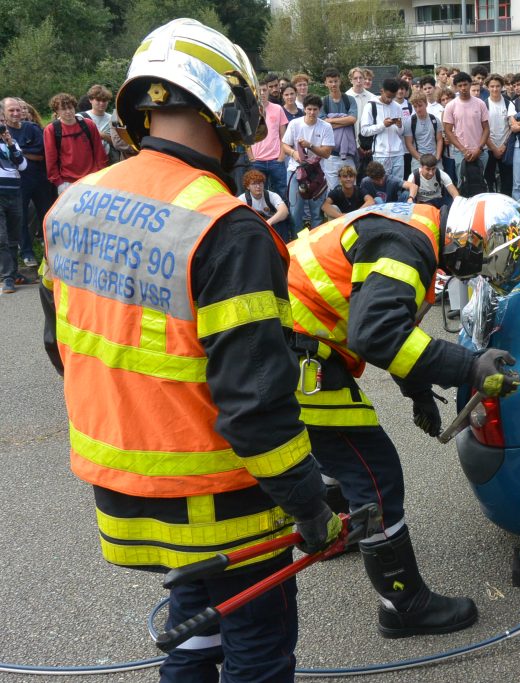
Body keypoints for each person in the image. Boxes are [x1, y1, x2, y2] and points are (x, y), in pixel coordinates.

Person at [40, 19, 339, 681]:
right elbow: (256, 407)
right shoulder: (227, 227)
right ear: (229, 106)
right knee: (257, 648)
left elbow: (65, 348)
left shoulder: (72, 205)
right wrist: (309, 504)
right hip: (222, 498)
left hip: (124, 493)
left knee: (193, 633)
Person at [286, 194, 520, 638]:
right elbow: (377, 334)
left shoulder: (416, 227)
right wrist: (469, 366)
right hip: (296, 349)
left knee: (341, 455)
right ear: (470, 240)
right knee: (374, 472)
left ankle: (338, 530)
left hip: (294, 340)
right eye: (481, 263)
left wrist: (418, 394)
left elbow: (394, 329)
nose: (472, 274)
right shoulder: (407, 246)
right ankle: (402, 605)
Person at [3, 96, 51, 267]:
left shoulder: (32, 128)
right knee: (21, 219)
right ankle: (27, 253)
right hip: (18, 183)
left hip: (40, 179)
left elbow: (42, 153)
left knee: (46, 214)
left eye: (18, 110)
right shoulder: (3, 133)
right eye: (11, 111)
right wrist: (22, 152)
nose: (16, 114)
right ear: (4, 112)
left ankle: (50, 251)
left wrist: (17, 151)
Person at [282, 94, 333, 238]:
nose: (311, 112)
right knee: (295, 211)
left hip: (317, 173)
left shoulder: (326, 126)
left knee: (316, 211)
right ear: (304, 109)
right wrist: (294, 154)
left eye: (315, 109)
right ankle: (297, 241)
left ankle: (315, 241)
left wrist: (310, 146)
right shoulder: (295, 124)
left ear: (319, 110)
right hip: (295, 171)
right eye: (309, 109)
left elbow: (327, 153)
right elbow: (284, 144)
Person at [44, 92, 107, 194]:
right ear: (57, 111)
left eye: (70, 108)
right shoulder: (51, 129)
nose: (68, 112)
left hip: (92, 178)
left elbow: (99, 151)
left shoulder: (88, 124)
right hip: (67, 182)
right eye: (64, 109)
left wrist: (101, 173)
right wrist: (58, 182)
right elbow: (51, 158)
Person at [443, 71, 490, 188]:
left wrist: (479, 149)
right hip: (460, 152)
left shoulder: (480, 104)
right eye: (460, 86)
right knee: (462, 183)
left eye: (465, 84)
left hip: (480, 151)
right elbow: (448, 131)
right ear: (456, 87)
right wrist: (463, 150)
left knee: (481, 182)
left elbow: (486, 128)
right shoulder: (451, 106)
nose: (463, 88)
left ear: (470, 84)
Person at [248, 76, 289, 200]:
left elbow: (284, 135)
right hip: (257, 161)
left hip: (275, 160)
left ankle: (283, 219)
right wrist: (251, 156)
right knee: (258, 196)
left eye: (264, 90)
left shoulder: (278, 109)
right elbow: (246, 136)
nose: (262, 93)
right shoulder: (250, 111)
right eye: (259, 90)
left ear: (268, 91)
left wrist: (282, 156)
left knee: (282, 194)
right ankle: (262, 219)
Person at [361, 78, 406, 183]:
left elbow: (401, 133)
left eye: (393, 97)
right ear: (382, 91)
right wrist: (382, 125)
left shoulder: (398, 107)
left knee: (398, 184)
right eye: (388, 96)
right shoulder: (371, 106)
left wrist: (399, 126)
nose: (390, 100)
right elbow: (364, 130)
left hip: (398, 153)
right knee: (381, 184)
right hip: (380, 154)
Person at [321, 68, 359, 190]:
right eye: (330, 81)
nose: (333, 84)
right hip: (331, 154)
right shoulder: (323, 102)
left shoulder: (349, 100)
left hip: (348, 154)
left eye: (336, 81)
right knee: (333, 190)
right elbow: (323, 124)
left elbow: (352, 119)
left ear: (340, 81)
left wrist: (331, 120)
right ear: (325, 83)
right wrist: (344, 120)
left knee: (351, 188)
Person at [0, 123, 26, 294]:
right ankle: (7, 277)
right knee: (1, 237)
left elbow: (22, 166)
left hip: (14, 193)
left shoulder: (12, 143)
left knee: (14, 236)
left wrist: (10, 143)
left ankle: (13, 273)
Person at [484, 74, 513, 194]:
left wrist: (504, 145)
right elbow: (482, 129)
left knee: (507, 180)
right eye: (492, 86)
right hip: (489, 147)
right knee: (489, 179)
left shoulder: (509, 103)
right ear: (487, 87)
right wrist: (494, 148)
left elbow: (512, 126)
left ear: (502, 87)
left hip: (505, 148)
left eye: (497, 86)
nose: (495, 89)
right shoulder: (483, 105)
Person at [405, 94, 443, 172]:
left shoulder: (435, 120)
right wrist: (420, 159)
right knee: (417, 182)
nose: (418, 109)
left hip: (434, 157)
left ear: (426, 104)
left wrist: (437, 157)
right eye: (415, 107)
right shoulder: (410, 121)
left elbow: (439, 140)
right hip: (418, 159)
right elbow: (409, 144)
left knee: (440, 181)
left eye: (420, 106)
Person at [83, 85, 115, 162]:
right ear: (90, 100)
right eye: (98, 100)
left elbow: (116, 143)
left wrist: (103, 136)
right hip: (86, 159)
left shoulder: (112, 119)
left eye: (104, 100)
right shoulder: (80, 118)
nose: (101, 103)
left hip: (106, 159)